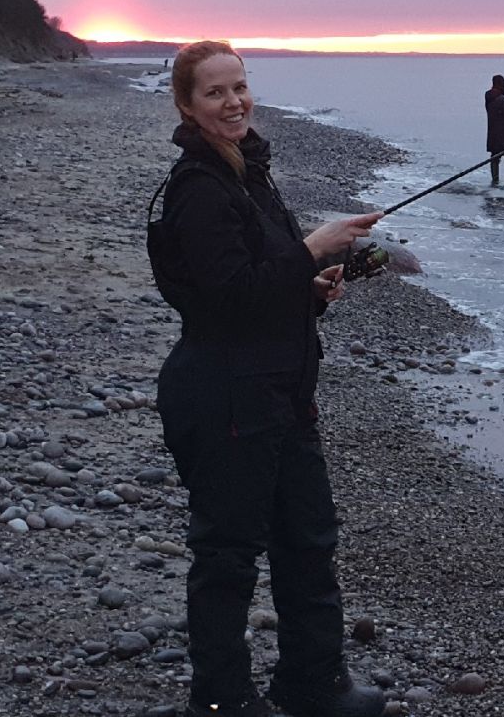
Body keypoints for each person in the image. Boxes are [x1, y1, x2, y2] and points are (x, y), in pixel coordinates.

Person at [152, 40, 386, 717]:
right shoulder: (198, 188)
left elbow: (264, 280)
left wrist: (310, 286)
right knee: (227, 555)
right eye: (217, 92)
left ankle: (314, 683)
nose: (234, 102)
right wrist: (312, 245)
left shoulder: (247, 173)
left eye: (240, 86)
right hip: (226, 395)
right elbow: (226, 297)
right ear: (188, 105)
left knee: (308, 538)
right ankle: (220, 699)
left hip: (282, 391)